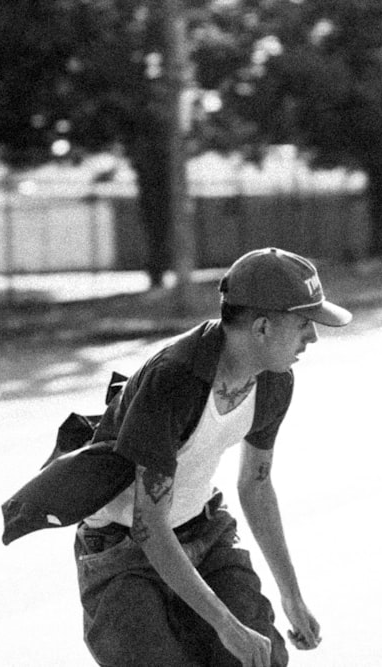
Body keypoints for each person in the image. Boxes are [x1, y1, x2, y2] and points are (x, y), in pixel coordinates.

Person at [70, 247, 352, 666]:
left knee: (260, 658)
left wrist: (291, 596)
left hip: (203, 530)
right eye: (303, 324)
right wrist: (227, 626)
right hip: (122, 547)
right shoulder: (175, 380)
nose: (312, 337)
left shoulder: (274, 383)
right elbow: (149, 527)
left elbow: (255, 485)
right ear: (261, 327)